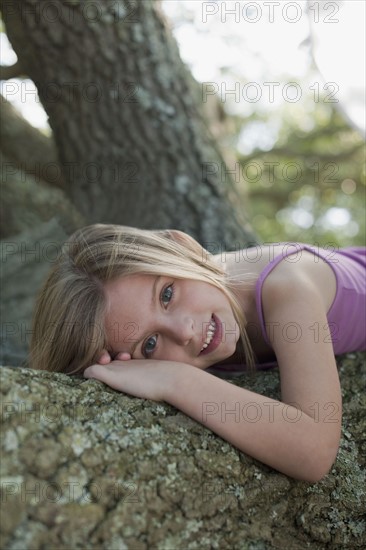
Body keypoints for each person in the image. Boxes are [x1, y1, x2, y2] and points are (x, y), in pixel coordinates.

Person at [30, 224, 366, 482]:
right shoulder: (207, 310)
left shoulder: (287, 286)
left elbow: (314, 449)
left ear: (185, 247)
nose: (184, 331)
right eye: (149, 344)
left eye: (167, 294)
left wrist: (176, 379)